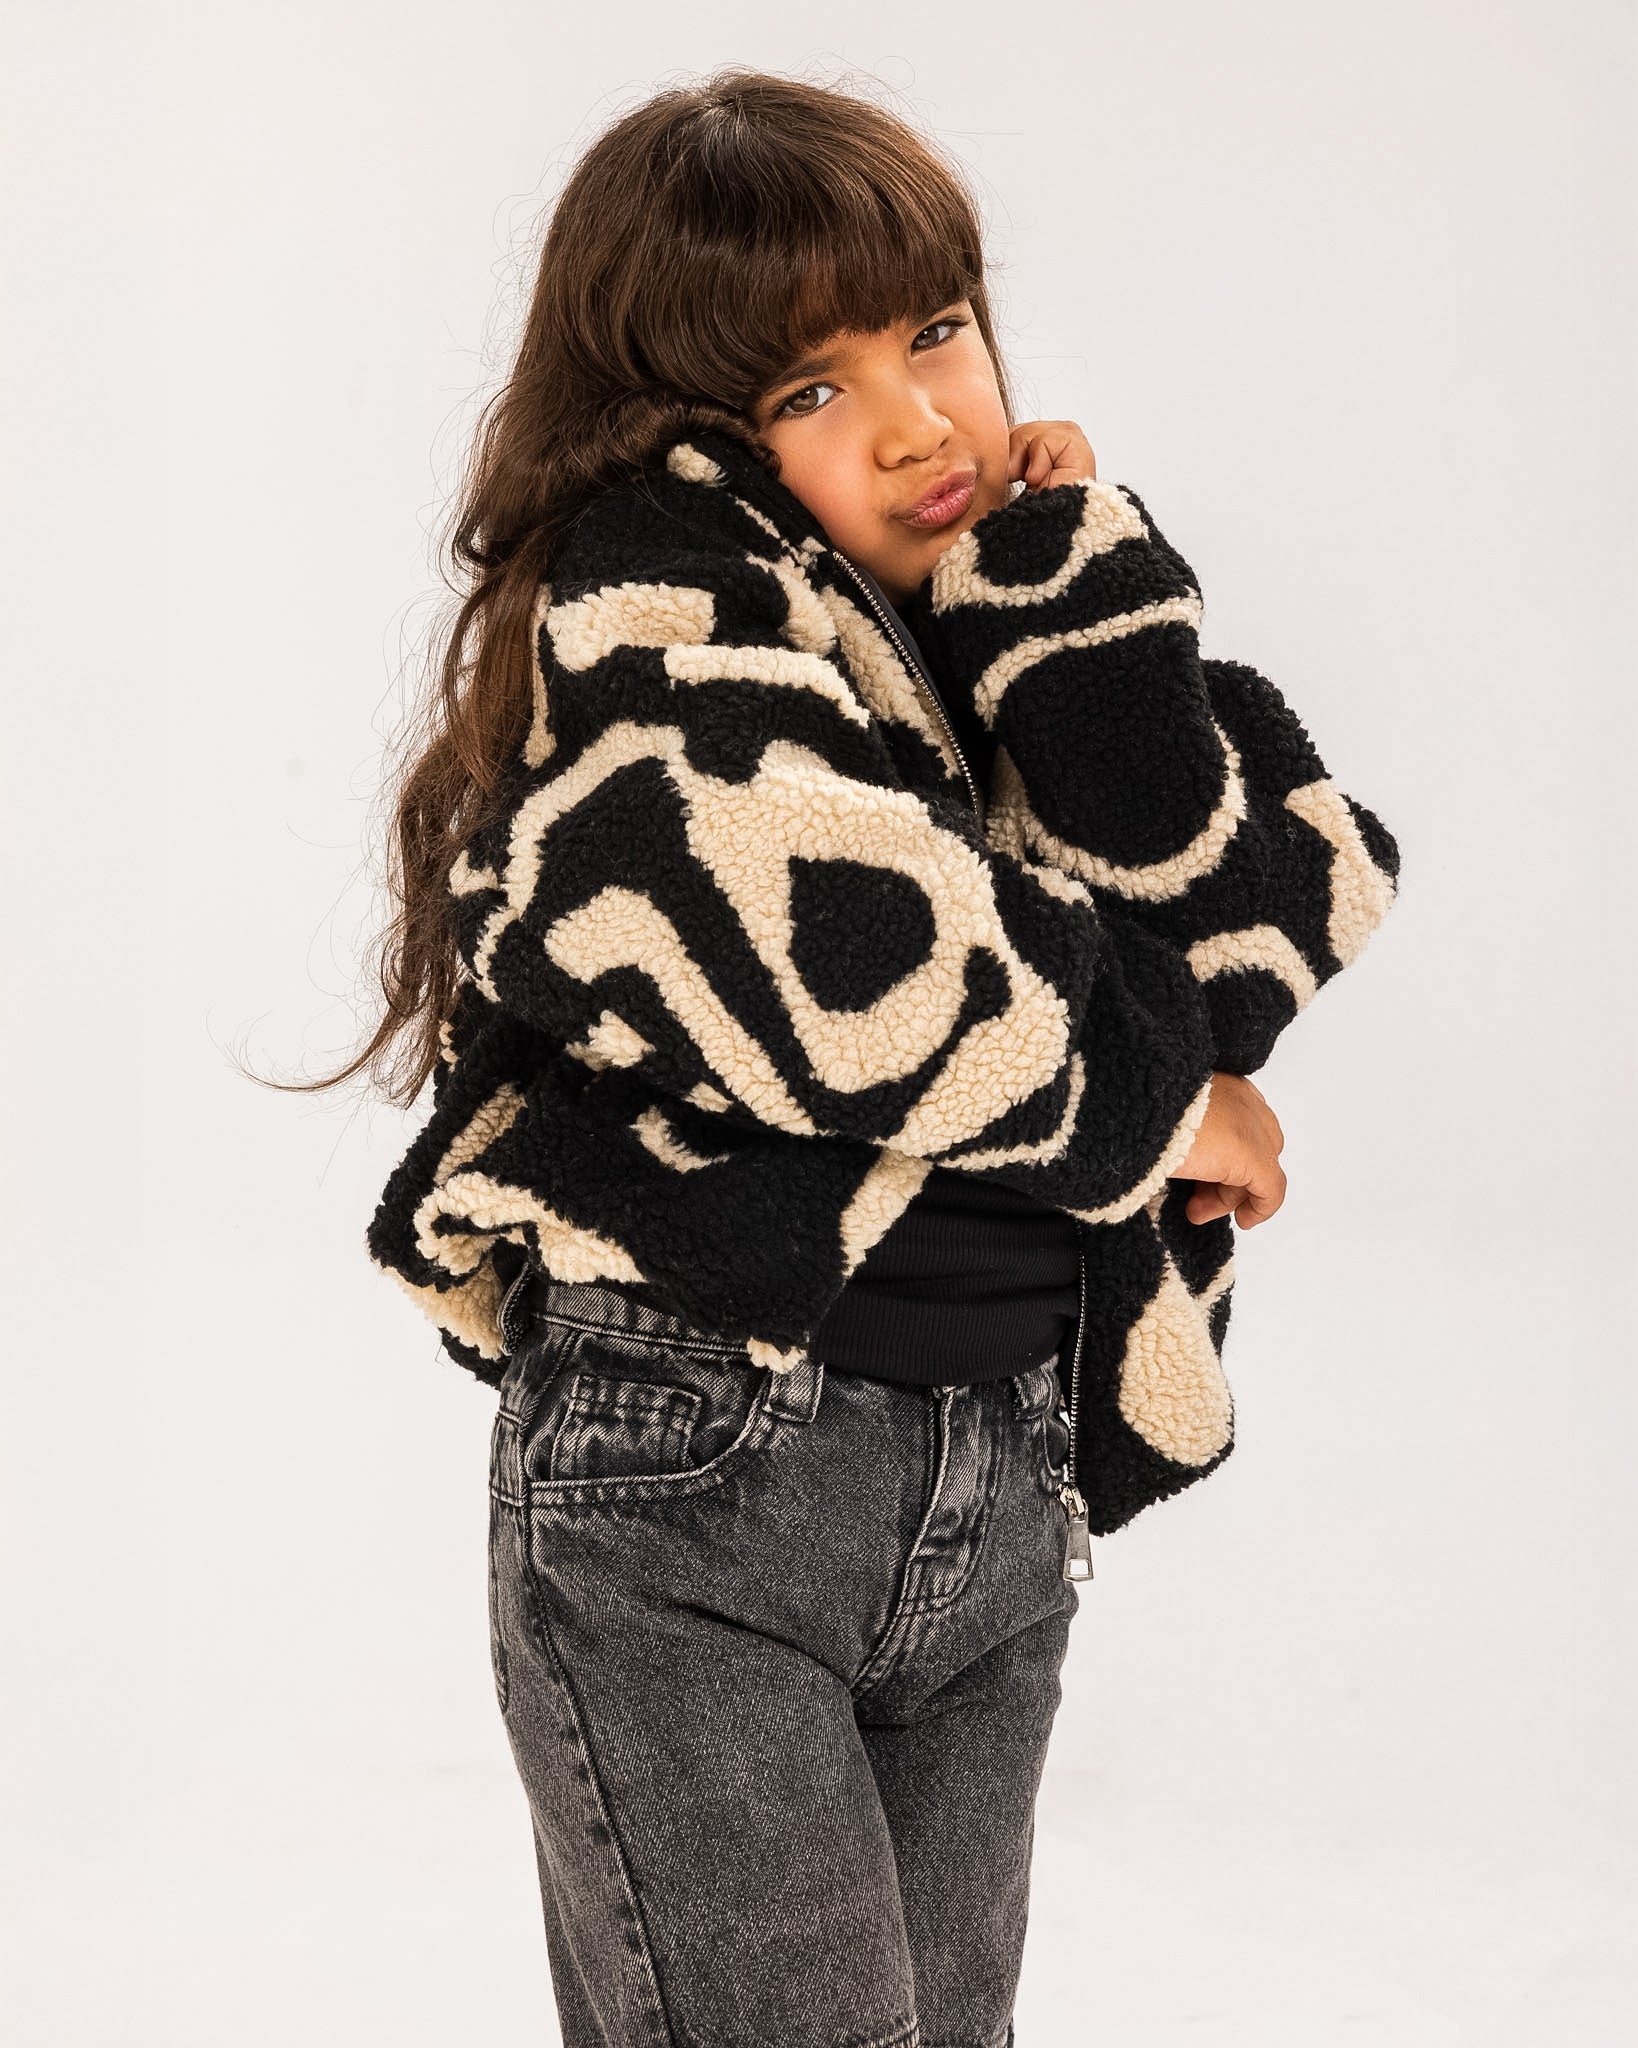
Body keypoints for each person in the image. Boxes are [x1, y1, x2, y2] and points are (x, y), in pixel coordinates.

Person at [326, 67, 1400, 2048]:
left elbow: (1281, 892)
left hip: (997, 1475)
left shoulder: (980, 632)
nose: (917, 421)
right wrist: (1164, 1104)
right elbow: (839, 948)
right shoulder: (651, 599)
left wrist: (1068, 594)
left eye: (936, 333)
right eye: (810, 389)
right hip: (706, 1470)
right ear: (678, 433)